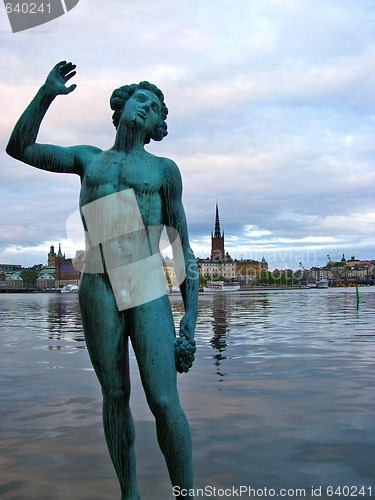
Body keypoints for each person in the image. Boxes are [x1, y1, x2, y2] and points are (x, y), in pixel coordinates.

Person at [7, 61, 198, 499]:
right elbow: (19, 147)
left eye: (152, 106)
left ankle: (185, 495)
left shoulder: (164, 170)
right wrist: (46, 93)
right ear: (121, 106)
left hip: (144, 277)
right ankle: (128, 495)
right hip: (96, 282)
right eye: (138, 98)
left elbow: (182, 247)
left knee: (164, 401)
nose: (143, 107)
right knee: (114, 396)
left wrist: (190, 316)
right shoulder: (87, 159)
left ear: (155, 125)